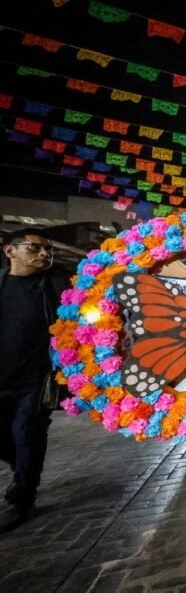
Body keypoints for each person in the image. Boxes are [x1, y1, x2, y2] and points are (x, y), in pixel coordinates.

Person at [0, 228, 66, 532]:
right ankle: (23, 465)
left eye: (47, 250)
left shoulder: (55, 286)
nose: (43, 254)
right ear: (10, 251)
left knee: (27, 432)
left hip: (36, 381)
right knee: (10, 439)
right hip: (3, 378)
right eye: (35, 248)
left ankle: (21, 498)